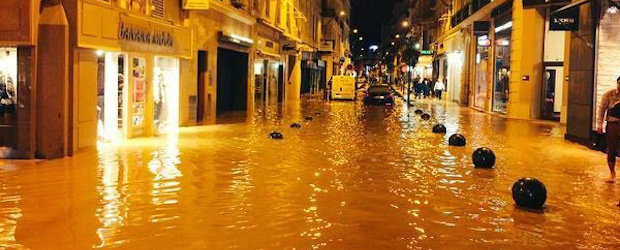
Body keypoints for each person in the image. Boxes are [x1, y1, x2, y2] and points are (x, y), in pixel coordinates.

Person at [597, 76, 620, 185]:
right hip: (613, 124)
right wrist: (599, 125)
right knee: (612, 149)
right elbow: (601, 110)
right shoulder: (609, 95)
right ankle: (612, 173)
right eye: (619, 83)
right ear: (617, 83)